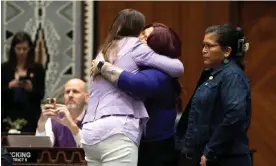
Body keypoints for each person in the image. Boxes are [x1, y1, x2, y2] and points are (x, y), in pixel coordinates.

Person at [82, 9, 184, 166]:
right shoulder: (132, 50)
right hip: (118, 132)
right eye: (141, 34)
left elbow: (139, 83)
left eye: (147, 36)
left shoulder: (105, 51)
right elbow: (176, 68)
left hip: (94, 132)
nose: (140, 39)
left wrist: (103, 66)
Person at [175, 24, 252, 166]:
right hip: (205, 155)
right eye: (203, 45)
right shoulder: (212, 74)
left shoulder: (232, 75)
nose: (204, 51)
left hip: (224, 158)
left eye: (209, 46)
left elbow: (235, 115)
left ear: (227, 51)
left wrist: (211, 150)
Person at [1, 31, 45, 133]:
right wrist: (9, 86)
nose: (21, 52)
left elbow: (41, 94)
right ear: (13, 49)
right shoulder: (4, 68)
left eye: (25, 49)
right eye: (18, 49)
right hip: (7, 115)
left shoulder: (37, 69)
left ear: (30, 49)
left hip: (30, 116)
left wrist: (31, 89)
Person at [35, 78, 88, 147]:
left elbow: (91, 149)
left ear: (86, 98)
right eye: (67, 92)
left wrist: (72, 126)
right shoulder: (53, 119)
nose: (70, 95)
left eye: (75, 91)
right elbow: (42, 149)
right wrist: (41, 125)